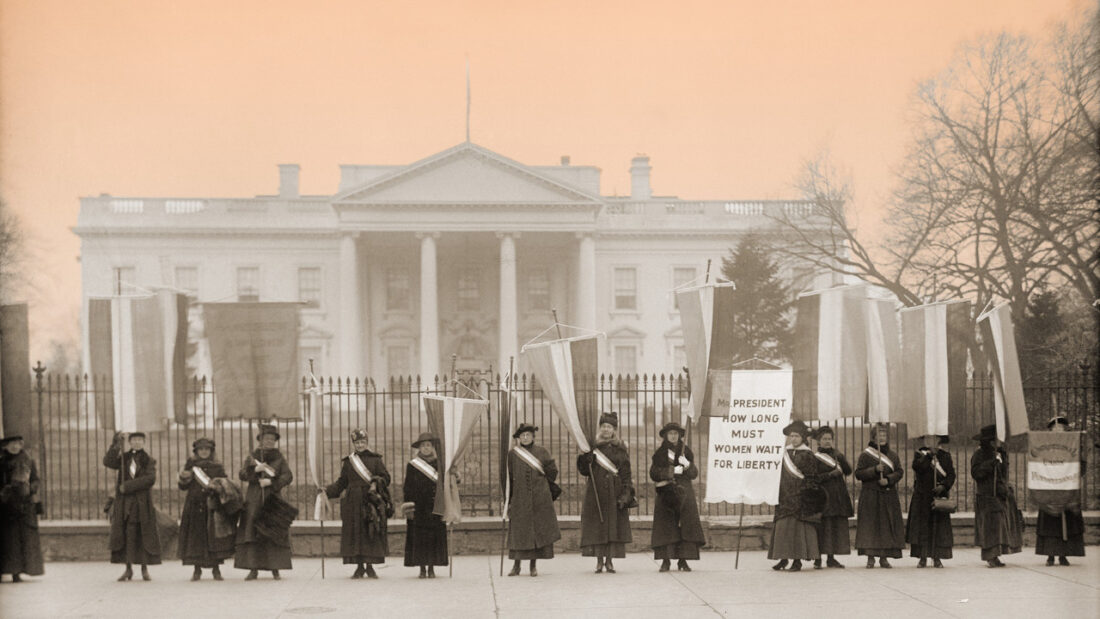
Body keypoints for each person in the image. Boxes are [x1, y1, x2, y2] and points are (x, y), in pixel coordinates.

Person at [326, 429, 392, 579]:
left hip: (370, 500)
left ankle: (370, 566)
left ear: (367, 443)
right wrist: (327, 491)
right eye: (357, 443)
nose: (360, 445)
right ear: (353, 444)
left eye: (362, 442)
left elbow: (386, 478)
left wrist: (376, 482)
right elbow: (342, 482)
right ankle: (359, 567)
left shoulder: (376, 460)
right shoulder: (349, 462)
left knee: (370, 531)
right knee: (355, 533)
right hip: (352, 502)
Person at [578, 412, 635, 574]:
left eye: (609, 427)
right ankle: (598, 561)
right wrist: (584, 459)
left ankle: (609, 561)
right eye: (603, 426)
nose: (606, 430)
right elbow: (584, 471)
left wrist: (626, 493)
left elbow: (626, 472)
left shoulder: (620, 448)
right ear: (600, 428)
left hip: (614, 490)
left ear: (614, 430)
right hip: (595, 490)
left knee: (612, 525)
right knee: (597, 526)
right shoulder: (591, 447)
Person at [236, 424, 294, 580]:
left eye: (272, 439)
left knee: (272, 531)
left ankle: (275, 568)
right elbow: (242, 475)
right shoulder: (252, 457)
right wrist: (254, 470)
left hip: (272, 498)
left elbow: (288, 476)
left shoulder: (279, 458)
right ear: (260, 440)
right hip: (254, 499)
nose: (269, 442)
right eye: (266, 439)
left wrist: (271, 483)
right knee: (253, 532)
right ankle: (253, 568)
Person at [103, 431, 162, 581]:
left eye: (140, 440)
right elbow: (108, 462)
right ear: (129, 442)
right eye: (134, 440)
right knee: (127, 535)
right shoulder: (124, 458)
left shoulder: (149, 460)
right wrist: (116, 444)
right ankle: (128, 569)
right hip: (125, 504)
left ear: (144, 442)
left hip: (142, 503)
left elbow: (150, 479)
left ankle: (144, 569)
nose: (137, 442)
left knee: (143, 535)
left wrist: (127, 486)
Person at [177, 437, 237, 581]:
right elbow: (183, 487)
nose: (204, 452)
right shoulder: (191, 465)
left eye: (207, 449)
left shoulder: (217, 466)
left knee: (213, 538)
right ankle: (196, 570)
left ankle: (216, 570)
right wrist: (183, 478)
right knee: (195, 538)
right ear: (196, 451)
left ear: (211, 451)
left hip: (213, 506)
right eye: (201, 449)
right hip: (194, 505)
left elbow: (225, 485)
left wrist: (218, 486)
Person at [505, 423, 561, 577]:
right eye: (522, 436)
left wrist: (543, 484)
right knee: (519, 533)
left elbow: (552, 470)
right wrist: (508, 500)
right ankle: (516, 566)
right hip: (519, 499)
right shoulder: (513, 454)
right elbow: (508, 477)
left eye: (528, 435)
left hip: (539, 498)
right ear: (518, 438)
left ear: (533, 437)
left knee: (536, 534)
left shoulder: (542, 452)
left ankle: (533, 566)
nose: (525, 437)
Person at [769, 420, 825, 572]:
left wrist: (804, 493)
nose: (793, 439)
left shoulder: (808, 455)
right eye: (791, 436)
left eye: (796, 436)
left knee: (797, 532)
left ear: (803, 438)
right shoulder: (784, 453)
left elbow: (812, 478)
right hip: (784, 497)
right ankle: (783, 558)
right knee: (783, 530)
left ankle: (797, 560)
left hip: (799, 498)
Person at [649, 421, 704, 572]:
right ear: (666, 436)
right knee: (667, 527)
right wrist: (670, 471)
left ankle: (683, 560)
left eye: (675, 433)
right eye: (670, 433)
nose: (673, 436)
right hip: (666, 493)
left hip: (684, 492)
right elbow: (653, 473)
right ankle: (665, 561)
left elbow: (693, 474)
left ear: (679, 435)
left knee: (684, 526)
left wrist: (687, 465)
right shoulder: (660, 453)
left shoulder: (685, 451)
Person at [1034, 416, 1085, 566]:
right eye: (1055, 428)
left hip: (1067, 490)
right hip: (1050, 491)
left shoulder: (1072, 446)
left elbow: (1080, 467)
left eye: (1062, 428)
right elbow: (1039, 465)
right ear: (1050, 430)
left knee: (1067, 523)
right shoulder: (1044, 446)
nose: (1059, 431)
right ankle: (1050, 555)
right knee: (1050, 525)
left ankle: (1063, 554)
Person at [971, 424, 1022, 567]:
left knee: (999, 525)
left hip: (999, 494)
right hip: (986, 495)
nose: (999, 442)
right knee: (990, 526)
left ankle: (997, 554)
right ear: (989, 441)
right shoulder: (979, 454)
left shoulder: (1001, 453)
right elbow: (976, 473)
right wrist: (991, 464)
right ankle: (990, 556)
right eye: (996, 440)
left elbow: (1003, 474)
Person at [854, 423, 905, 568]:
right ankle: (870, 558)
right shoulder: (866, 455)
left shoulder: (893, 455)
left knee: (885, 526)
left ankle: (884, 557)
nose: (882, 438)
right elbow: (858, 474)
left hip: (888, 495)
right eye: (879, 435)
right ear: (873, 438)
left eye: (884, 435)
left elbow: (900, 472)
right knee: (870, 526)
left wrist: (888, 479)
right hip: (870, 495)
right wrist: (875, 470)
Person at [905, 435, 955, 568]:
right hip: (922, 496)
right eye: (927, 439)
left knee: (938, 528)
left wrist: (943, 486)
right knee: (922, 528)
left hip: (938, 496)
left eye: (933, 438)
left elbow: (951, 475)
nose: (929, 441)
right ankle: (922, 558)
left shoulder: (945, 456)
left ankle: (937, 557)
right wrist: (929, 456)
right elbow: (918, 468)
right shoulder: (919, 454)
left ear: (938, 440)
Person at [403, 432, 448, 578]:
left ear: (432, 447)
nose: (426, 448)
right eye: (423, 446)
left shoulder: (440, 464)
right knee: (420, 538)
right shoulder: (412, 465)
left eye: (428, 445)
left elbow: (446, 484)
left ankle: (432, 567)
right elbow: (408, 487)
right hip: (419, 506)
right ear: (419, 448)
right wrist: (409, 506)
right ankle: (422, 568)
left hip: (435, 505)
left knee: (434, 537)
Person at [0, 435, 44, 582]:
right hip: (6, 505)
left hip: (25, 505)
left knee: (22, 539)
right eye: (11, 444)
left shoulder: (28, 461)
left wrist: (31, 489)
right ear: (5, 446)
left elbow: (35, 479)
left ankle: (17, 572)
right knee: (8, 540)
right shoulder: (2, 461)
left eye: (17, 444)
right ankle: (8, 569)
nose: (15, 447)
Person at [811, 425, 853, 569]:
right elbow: (813, 478)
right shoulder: (815, 458)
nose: (827, 441)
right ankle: (818, 559)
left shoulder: (836, 455)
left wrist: (841, 458)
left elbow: (848, 471)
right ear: (818, 441)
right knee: (822, 528)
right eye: (824, 439)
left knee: (833, 527)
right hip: (822, 497)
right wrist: (830, 475)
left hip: (837, 497)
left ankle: (831, 558)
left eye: (829, 439)